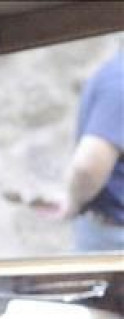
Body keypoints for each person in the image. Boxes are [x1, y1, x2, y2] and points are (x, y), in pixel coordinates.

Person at [33, 51, 124, 251]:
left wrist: (73, 201)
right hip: (114, 235)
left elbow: (87, 167)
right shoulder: (120, 82)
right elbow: (88, 166)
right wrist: (74, 201)